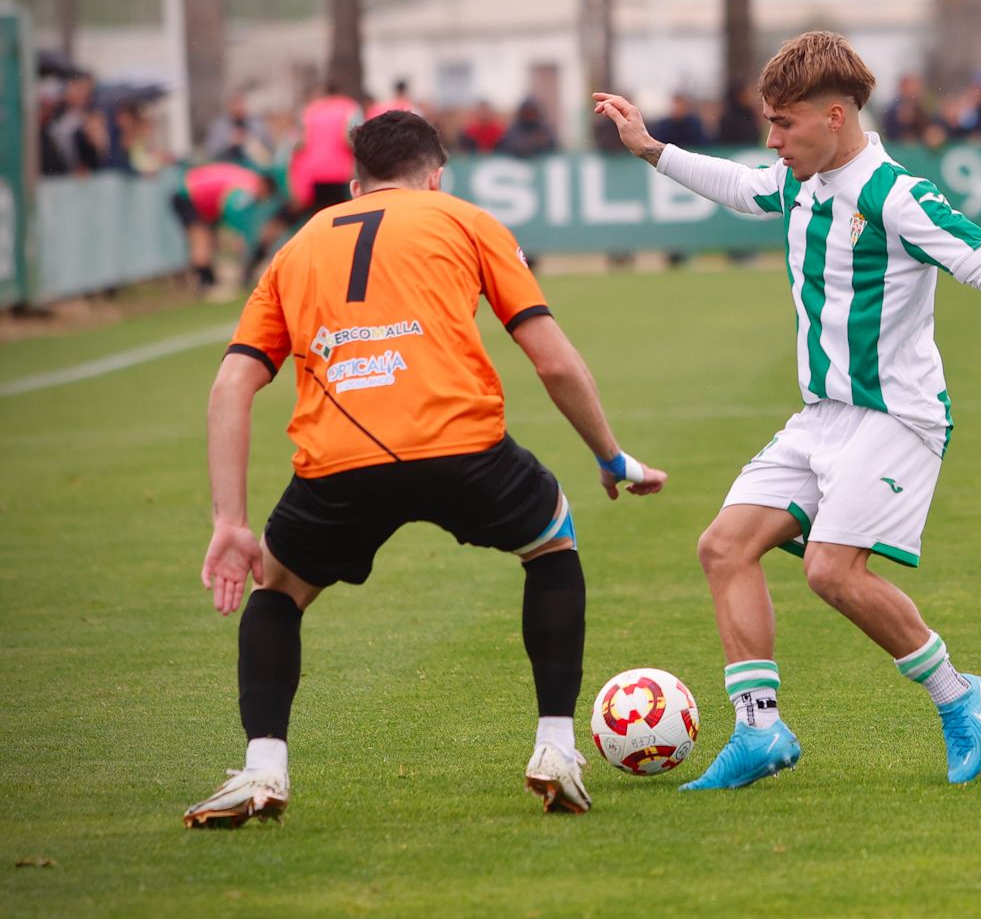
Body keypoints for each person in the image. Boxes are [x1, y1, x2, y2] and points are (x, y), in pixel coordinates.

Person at [593, 30, 981, 790]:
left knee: (831, 570)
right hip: (823, 418)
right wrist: (652, 148)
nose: (772, 139)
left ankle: (961, 698)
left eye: (783, 124)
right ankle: (760, 731)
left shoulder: (896, 193)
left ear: (834, 115)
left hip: (898, 418)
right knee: (724, 546)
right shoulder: (801, 179)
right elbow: (743, 187)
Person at [182, 111, 666, 827]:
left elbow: (231, 385)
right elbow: (553, 359)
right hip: (461, 448)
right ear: (435, 175)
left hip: (340, 460)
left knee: (278, 592)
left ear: (353, 185)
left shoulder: (297, 245)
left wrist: (230, 522)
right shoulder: (464, 219)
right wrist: (609, 453)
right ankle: (556, 747)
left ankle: (263, 767)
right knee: (551, 541)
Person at [248, 83, 364, 275]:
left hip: (307, 179)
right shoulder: (349, 108)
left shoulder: (310, 111)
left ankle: (254, 264)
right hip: (336, 175)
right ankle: (335, 267)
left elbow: (298, 144)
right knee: (337, 224)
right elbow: (349, 138)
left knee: (287, 221)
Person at [170, 161, 278, 296]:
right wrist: (236, 236)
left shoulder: (248, 179)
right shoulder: (247, 188)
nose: (262, 200)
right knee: (201, 238)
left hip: (197, 194)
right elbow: (231, 208)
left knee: (207, 239)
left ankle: (209, 281)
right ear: (265, 187)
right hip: (188, 195)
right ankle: (205, 283)